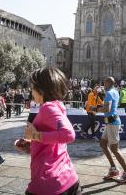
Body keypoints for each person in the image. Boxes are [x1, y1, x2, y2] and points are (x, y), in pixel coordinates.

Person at [16, 67, 81, 195]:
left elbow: (68, 135)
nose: (31, 90)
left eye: (32, 87)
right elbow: (55, 140)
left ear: (41, 89)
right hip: (66, 178)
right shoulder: (57, 105)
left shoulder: (48, 107)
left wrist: (35, 135)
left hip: (49, 182)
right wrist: (32, 143)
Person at [97, 77, 126, 182]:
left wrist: (95, 109)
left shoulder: (108, 93)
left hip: (112, 123)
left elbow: (107, 109)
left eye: (104, 83)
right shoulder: (116, 92)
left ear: (108, 83)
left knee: (114, 149)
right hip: (110, 122)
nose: (103, 85)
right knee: (103, 144)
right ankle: (113, 169)